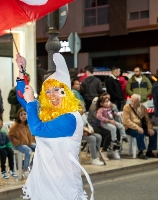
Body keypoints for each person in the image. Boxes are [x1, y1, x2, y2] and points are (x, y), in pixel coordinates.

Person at [16, 53, 94, 199]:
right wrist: (21, 71)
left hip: (64, 183)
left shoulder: (70, 118)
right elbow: (22, 96)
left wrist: (31, 102)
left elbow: (37, 129)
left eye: (57, 90)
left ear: (66, 93)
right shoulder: (47, 113)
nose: (52, 95)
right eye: (48, 91)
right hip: (44, 179)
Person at [122, 94, 158, 159]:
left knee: (154, 132)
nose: (133, 103)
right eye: (131, 101)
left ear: (139, 101)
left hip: (141, 127)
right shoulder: (126, 107)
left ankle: (149, 151)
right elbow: (127, 121)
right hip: (130, 128)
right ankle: (140, 152)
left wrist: (149, 128)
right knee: (140, 133)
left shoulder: (143, 107)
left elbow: (148, 120)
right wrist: (137, 127)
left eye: (135, 101)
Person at [87, 93, 121, 160]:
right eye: (106, 99)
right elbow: (98, 117)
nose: (107, 100)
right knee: (109, 132)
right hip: (94, 125)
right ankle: (103, 151)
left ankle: (115, 150)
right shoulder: (94, 105)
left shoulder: (107, 106)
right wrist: (109, 120)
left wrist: (111, 108)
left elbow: (112, 114)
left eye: (108, 99)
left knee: (117, 130)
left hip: (104, 123)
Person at [8, 108, 36, 179]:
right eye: (21, 115)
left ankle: (32, 164)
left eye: (25, 114)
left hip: (27, 143)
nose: (23, 116)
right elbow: (10, 136)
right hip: (17, 145)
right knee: (28, 150)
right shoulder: (15, 126)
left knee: (39, 148)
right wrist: (18, 142)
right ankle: (25, 170)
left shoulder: (28, 125)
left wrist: (31, 140)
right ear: (18, 116)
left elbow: (32, 135)